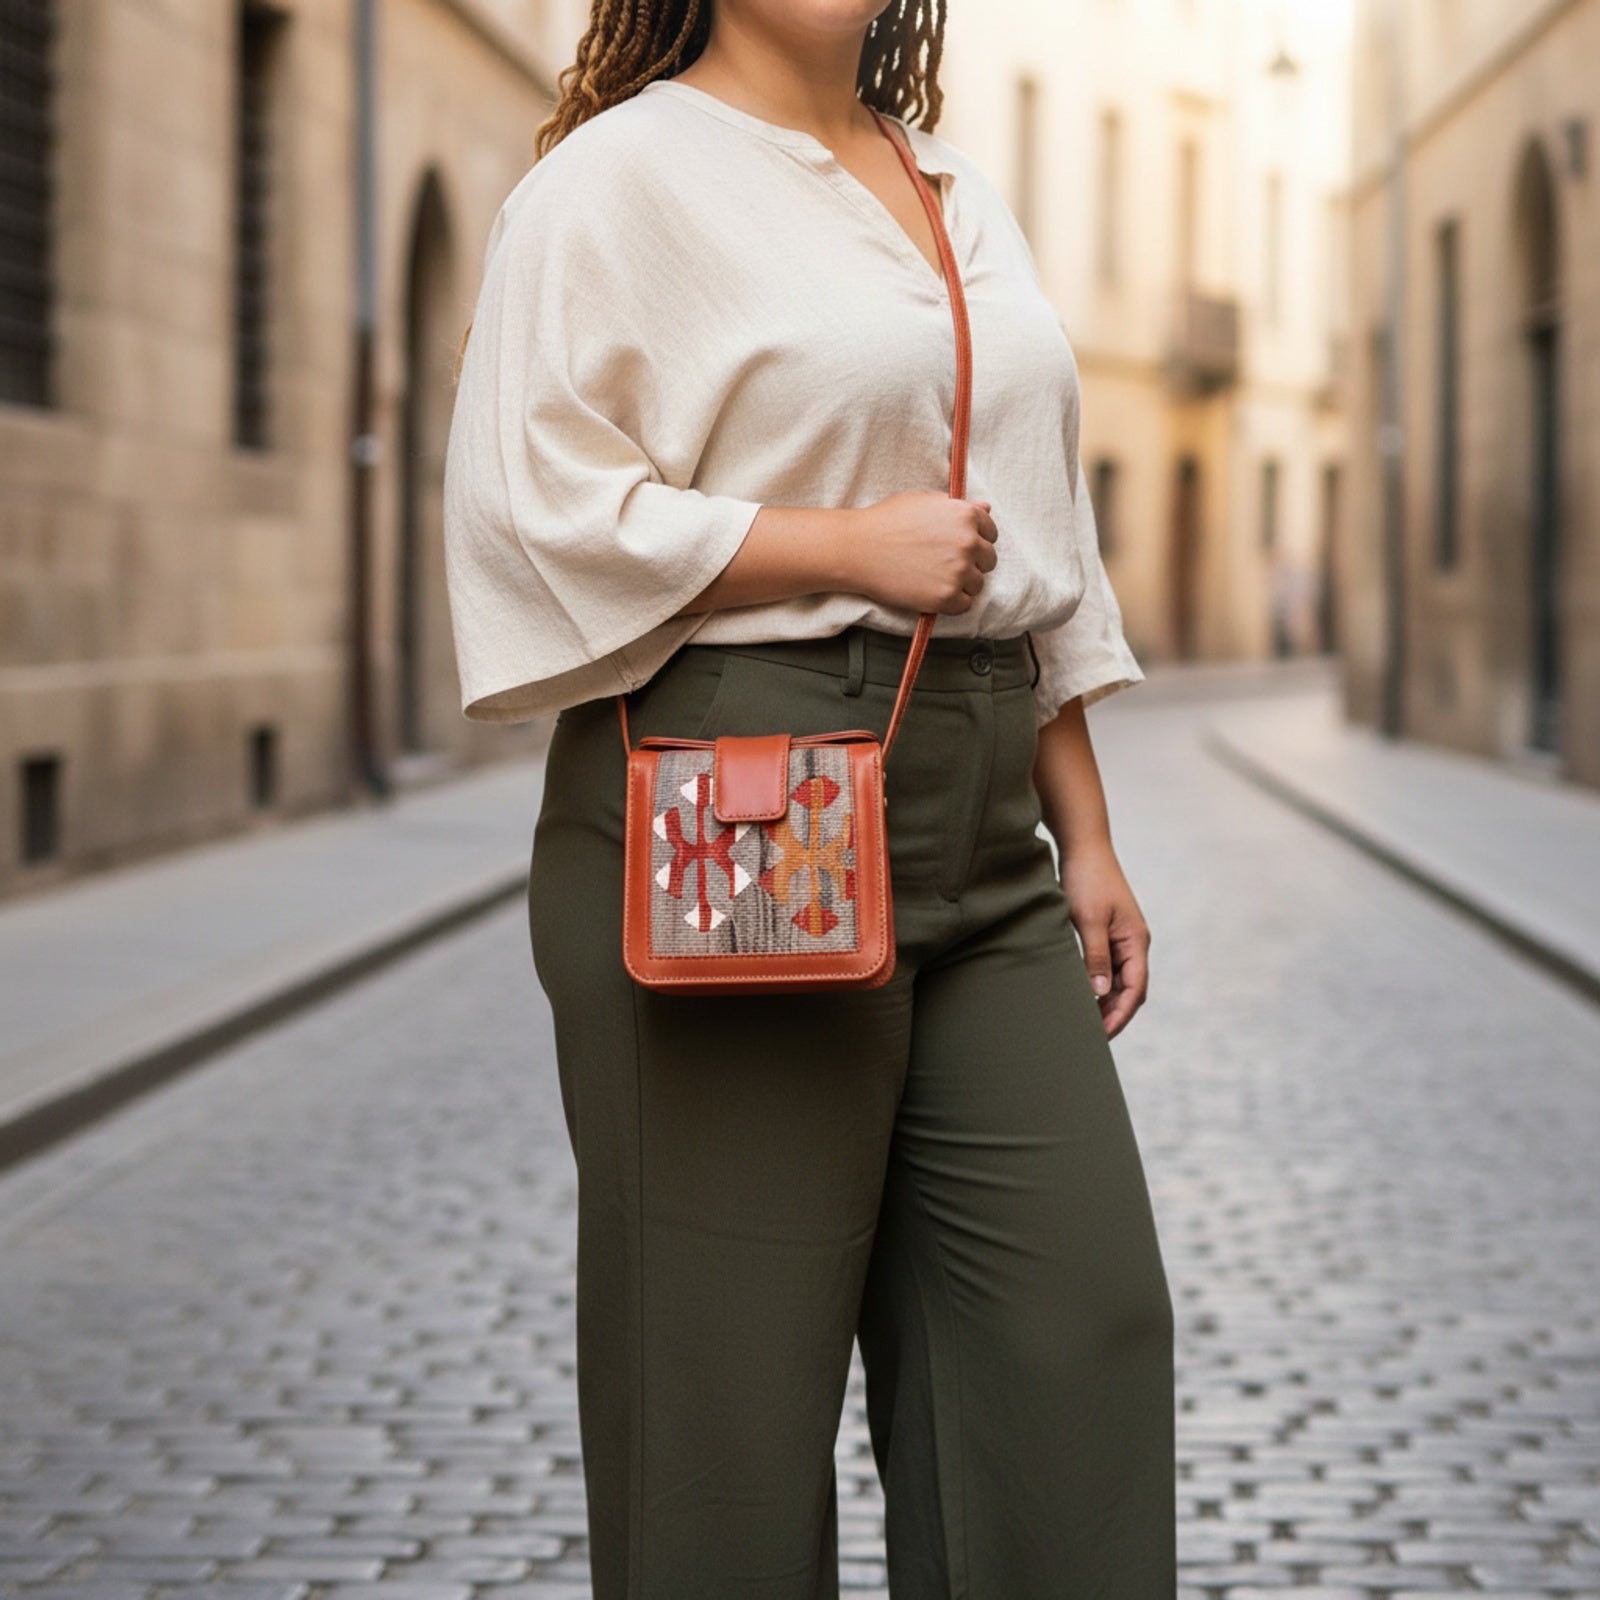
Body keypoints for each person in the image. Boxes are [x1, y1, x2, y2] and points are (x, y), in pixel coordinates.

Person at [441, 2, 1176, 1595]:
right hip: (740, 798)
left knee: (1075, 1340)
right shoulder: (617, 183)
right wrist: (836, 544)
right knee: (724, 1422)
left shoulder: (954, 187)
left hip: (987, 828)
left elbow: (1034, 531)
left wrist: (1087, 830)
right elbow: (530, 503)